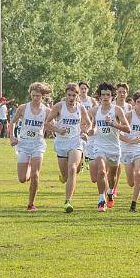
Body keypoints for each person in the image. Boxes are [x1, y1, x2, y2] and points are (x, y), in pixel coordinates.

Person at [44, 83, 92, 212]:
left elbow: (89, 123)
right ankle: (64, 176)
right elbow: (47, 123)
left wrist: (85, 132)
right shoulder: (59, 106)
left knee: (72, 169)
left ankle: (67, 201)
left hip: (75, 142)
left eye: (74, 95)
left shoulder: (80, 108)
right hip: (61, 143)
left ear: (77, 96)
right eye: (69, 95)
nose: (71, 98)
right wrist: (58, 130)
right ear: (66, 95)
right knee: (66, 176)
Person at [88, 83, 131, 212]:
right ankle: (101, 200)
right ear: (99, 96)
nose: (105, 97)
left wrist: (114, 124)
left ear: (112, 96)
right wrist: (90, 130)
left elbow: (127, 128)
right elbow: (90, 125)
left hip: (114, 147)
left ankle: (111, 192)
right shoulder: (95, 110)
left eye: (108, 95)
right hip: (99, 145)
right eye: (103, 95)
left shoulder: (117, 110)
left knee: (112, 177)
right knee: (101, 171)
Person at [8, 82, 52, 210]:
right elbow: (12, 122)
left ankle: (31, 204)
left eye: (38, 96)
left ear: (42, 96)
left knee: (35, 175)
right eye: (33, 95)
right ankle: (27, 167)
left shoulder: (46, 111)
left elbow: (51, 125)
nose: (35, 98)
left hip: (38, 144)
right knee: (22, 179)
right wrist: (12, 137)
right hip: (24, 143)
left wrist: (57, 130)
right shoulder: (23, 108)